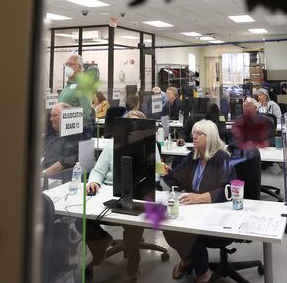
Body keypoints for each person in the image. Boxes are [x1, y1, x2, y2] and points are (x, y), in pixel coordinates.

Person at [163, 120, 236, 283]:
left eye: (199, 134)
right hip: (193, 210)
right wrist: (166, 172)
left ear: (210, 137)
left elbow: (229, 189)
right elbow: (178, 178)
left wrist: (200, 198)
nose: (194, 137)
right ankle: (187, 258)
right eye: (193, 133)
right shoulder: (193, 156)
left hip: (215, 214)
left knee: (189, 233)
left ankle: (203, 272)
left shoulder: (222, 158)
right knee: (168, 227)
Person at [84, 110, 153, 280]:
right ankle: (100, 246)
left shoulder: (149, 147)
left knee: (134, 222)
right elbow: (98, 170)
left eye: (135, 124)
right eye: (128, 123)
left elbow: (155, 175)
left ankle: (133, 256)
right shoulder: (112, 143)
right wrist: (94, 182)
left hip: (137, 194)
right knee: (85, 219)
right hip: (108, 192)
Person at [42, 103, 79, 181]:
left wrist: (42, 175)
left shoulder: (73, 138)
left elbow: (65, 162)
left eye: (54, 115)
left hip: (54, 178)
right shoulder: (50, 134)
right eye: (51, 115)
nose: (51, 119)